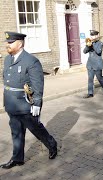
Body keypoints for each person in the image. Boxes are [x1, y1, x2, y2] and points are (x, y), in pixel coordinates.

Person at [0, 32, 57, 169]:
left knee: (35, 129)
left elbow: (38, 84)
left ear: (19, 44)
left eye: (10, 42)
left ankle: (51, 144)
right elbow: (5, 78)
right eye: (7, 42)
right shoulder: (8, 59)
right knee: (16, 132)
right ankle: (17, 158)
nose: (7, 45)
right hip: (11, 103)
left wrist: (37, 103)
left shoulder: (31, 61)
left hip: (25, 104)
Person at [83, 30, 103, 98]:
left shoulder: (100, 43)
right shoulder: (89, 43)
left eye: (93, 35)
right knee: (90, 79)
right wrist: (88, 45)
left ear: (97, 36)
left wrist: (92, 45)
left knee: (99, 78)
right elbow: (84, 51)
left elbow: (98, 52)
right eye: (91, 35)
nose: (92, 37)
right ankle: (90, 93)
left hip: (97, 64)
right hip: (90, 64)